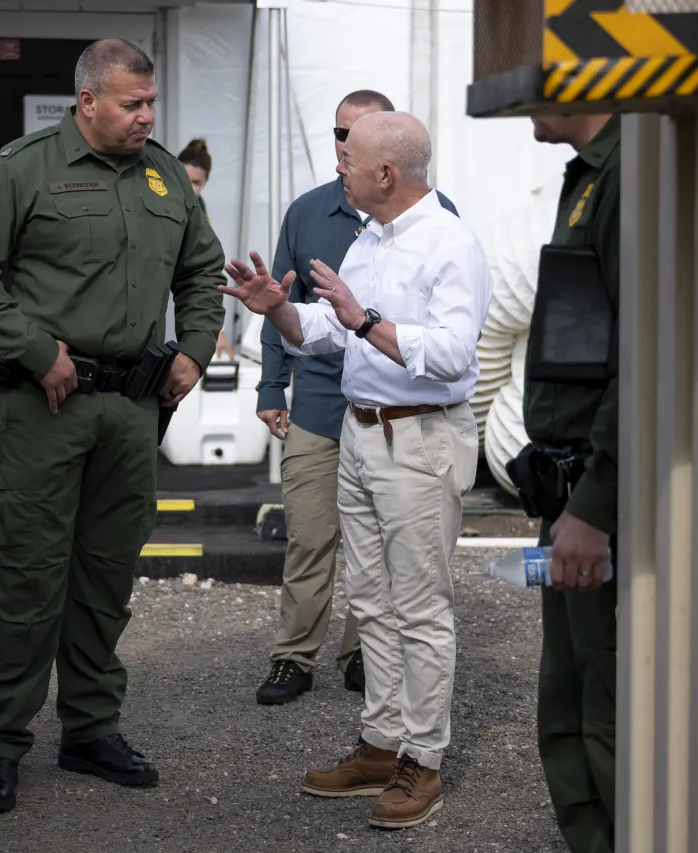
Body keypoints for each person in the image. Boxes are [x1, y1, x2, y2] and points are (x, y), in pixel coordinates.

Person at [0, 38, 226, 815]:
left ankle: (91, 728)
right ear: (88, 101)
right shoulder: (23, 168)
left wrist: (195, 350)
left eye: (151, 103)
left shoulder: (165, 173)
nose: (145, 117)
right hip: (47, 406)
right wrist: (35, 350)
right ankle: (0, 741)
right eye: (132, 104)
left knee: (105, 577)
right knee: (30, 575)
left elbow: (202, 270)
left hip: (132, 412)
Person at [219, 110, 492, 830]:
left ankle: (422, 759)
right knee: (369, 598)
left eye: (351, 156)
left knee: (421, 608)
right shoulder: (369, 236)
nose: (339, 163)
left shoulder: (449, 242)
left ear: (387, 174)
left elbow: (454, 355)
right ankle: (380, 742)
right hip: (361, 431)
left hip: (420, 438)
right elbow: (324, 330)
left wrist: (364, 318)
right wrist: (279, 313)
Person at [253, 90, 458, 706]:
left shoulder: (431, 222)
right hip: (320, 403)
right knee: (311, 537)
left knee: (381, 552)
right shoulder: (308, 212)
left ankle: (365, 654)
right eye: (340, 132)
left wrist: (362, 323)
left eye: (358, 136)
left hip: (394, 414)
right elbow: (281, 303)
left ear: (386, 153)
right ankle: (294, 656)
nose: (344, 146)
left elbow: (450, 345)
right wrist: (270, 385)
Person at [512, 112, 621, 853]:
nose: (522, 91)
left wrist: (595, 504)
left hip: (599, 501)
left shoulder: (629, 176)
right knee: (567, 695)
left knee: (609, 701)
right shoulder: (588, 172)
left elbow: (648, 352)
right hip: (568, 494)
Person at [178, 137, 235, 360]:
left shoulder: (198, 208)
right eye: (184, 179)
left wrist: (216, 332)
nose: (188, 188)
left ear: (206, 182)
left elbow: (204, 269)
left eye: (196, 183)